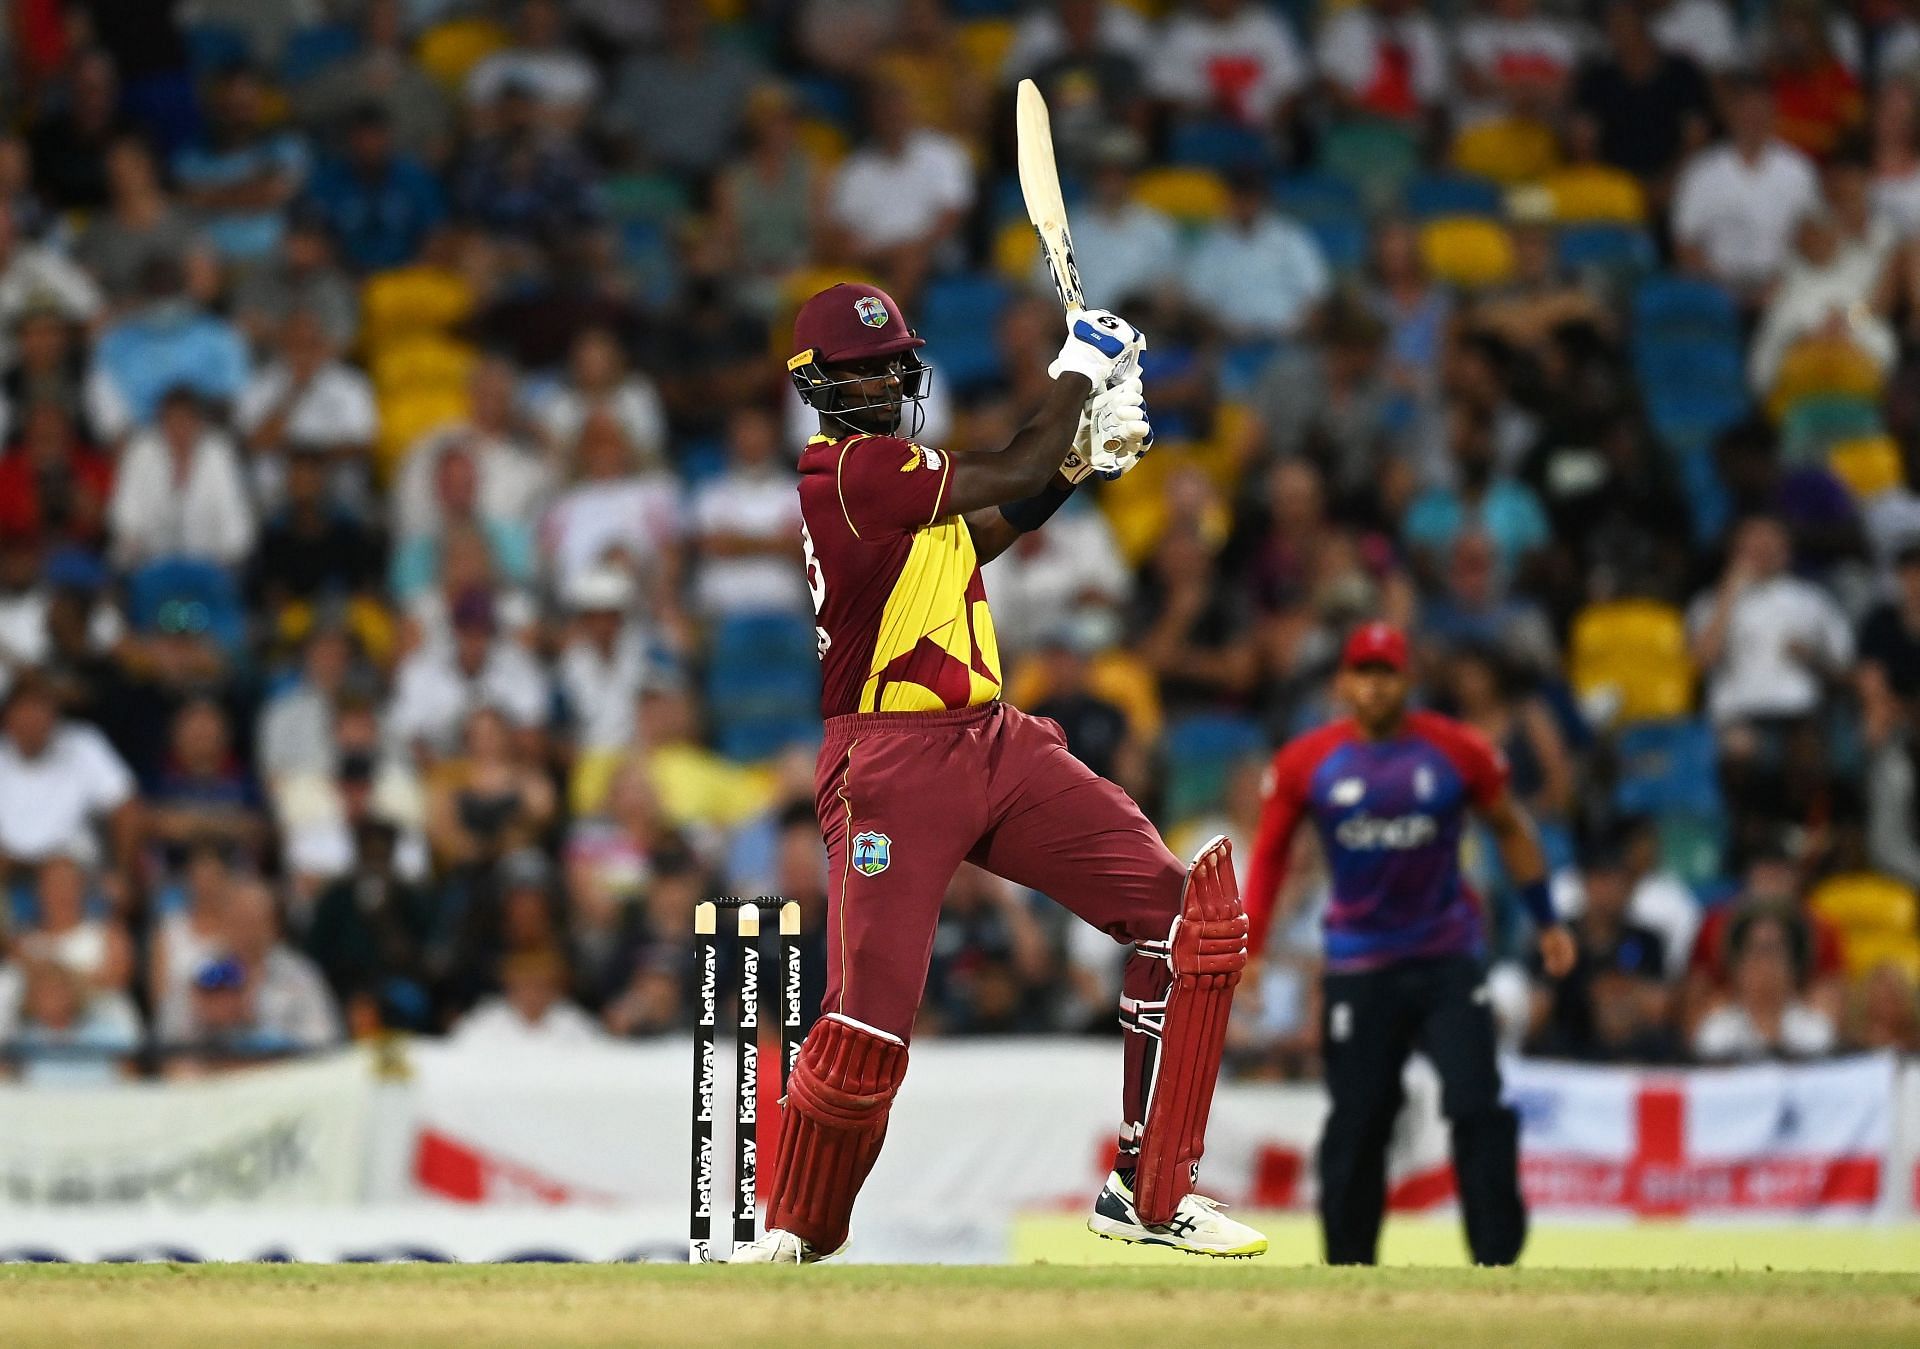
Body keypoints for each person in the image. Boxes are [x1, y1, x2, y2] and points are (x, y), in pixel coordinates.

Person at [731, 282, 1264, 1263]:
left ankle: (1151, 1191)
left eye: (893, 360)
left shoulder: (901, 494)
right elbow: (1011, 460)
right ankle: (794, 1232)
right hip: (889, 762)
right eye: (861, 367)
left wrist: (1079, 465)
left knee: (1185, 921)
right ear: (815, 385)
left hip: (994, 740)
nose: (886, 378)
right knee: (865, 1032)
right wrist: (1081, 363)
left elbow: (991, 523)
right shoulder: (845, 475)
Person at [1240, 621, 1576, 1267]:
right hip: (1359, 963)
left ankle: (1499, 1266)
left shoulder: (1457, 751)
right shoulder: (1306, 762)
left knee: (1477, 1103)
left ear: (1408, 680)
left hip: (1446, 956)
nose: (1374, 686)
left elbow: (1511, 829)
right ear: (1343, 682)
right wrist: (1250, 947)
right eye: (1363, 672)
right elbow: (1272, 856)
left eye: (1386, 672)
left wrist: (1547, 918)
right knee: (1361, 1118)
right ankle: (1348, 1270)